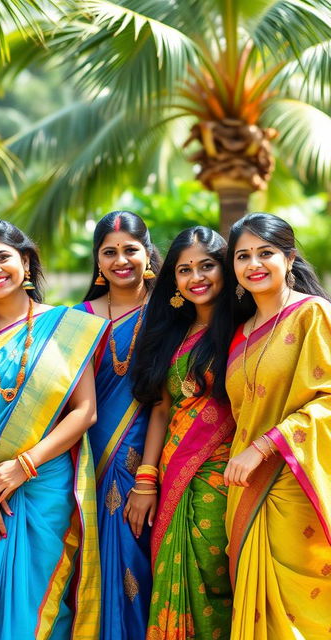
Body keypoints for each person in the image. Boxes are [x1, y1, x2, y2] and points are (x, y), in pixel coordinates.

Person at [0, 218, 108, 640]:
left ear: (26, 261)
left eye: (2, 257)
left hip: (46, 483)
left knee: (45, 604)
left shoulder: (70, 326)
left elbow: (84, 411)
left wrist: (22, 467)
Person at [223, 213, 331, 638]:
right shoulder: (237, 332)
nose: (254, 264)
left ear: (288, 258)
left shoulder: (313, 315)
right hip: (244, 491)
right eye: (243, 255)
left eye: (265, 253)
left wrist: (265, 446)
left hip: (296, 485)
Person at [129, 226, 235, 640]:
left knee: (215, 576)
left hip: (224, 474)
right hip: (174, 470)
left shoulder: (243, 328)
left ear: (225, 270)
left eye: (207, 266)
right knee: (173, 574)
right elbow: (160, 409)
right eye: (185, 269)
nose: (197, 277)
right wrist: (145, 480)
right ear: (173, 280)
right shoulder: (174, 333)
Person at [74, 210, 159, 640]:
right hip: (84, 463)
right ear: (98, 260)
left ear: (148, 254)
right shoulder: (76, 318)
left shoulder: (170, 311)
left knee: (139, 560)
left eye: (130, 249)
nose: (120, 259)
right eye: (109, 252)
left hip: (148, 461)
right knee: (87, 565)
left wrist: (148, 475)